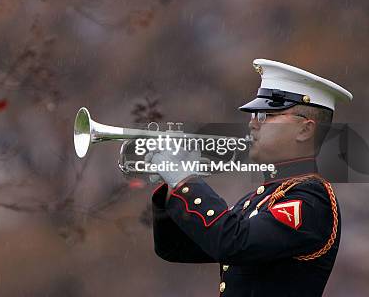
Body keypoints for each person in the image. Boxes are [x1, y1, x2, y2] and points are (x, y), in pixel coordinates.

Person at [149, 58, 352, 296]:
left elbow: (232, 242)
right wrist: (171, 187)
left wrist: (185, 182)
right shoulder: (259, 199)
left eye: (266, 116)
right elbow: (175, 248)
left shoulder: (312, 199)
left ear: (305, 129)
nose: (252, 124)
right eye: (253, 115)